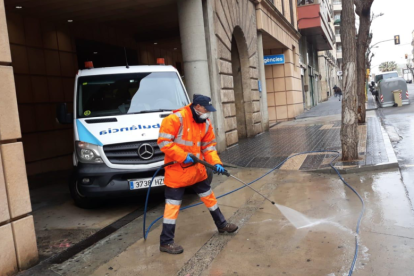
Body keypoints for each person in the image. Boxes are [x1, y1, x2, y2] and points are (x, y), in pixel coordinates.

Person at [157, 94, 238, 254]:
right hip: (177, 172)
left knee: (209, 197)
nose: (208, 113)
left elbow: (208, 147)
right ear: (197, 107)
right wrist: (182, 156)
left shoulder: (205, 123)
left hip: (197, 171)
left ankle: (222, 225)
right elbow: (164, 142)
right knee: (172, 207)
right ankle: (166, 242)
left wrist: (216, 163)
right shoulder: (175, 119)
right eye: (206, 109)